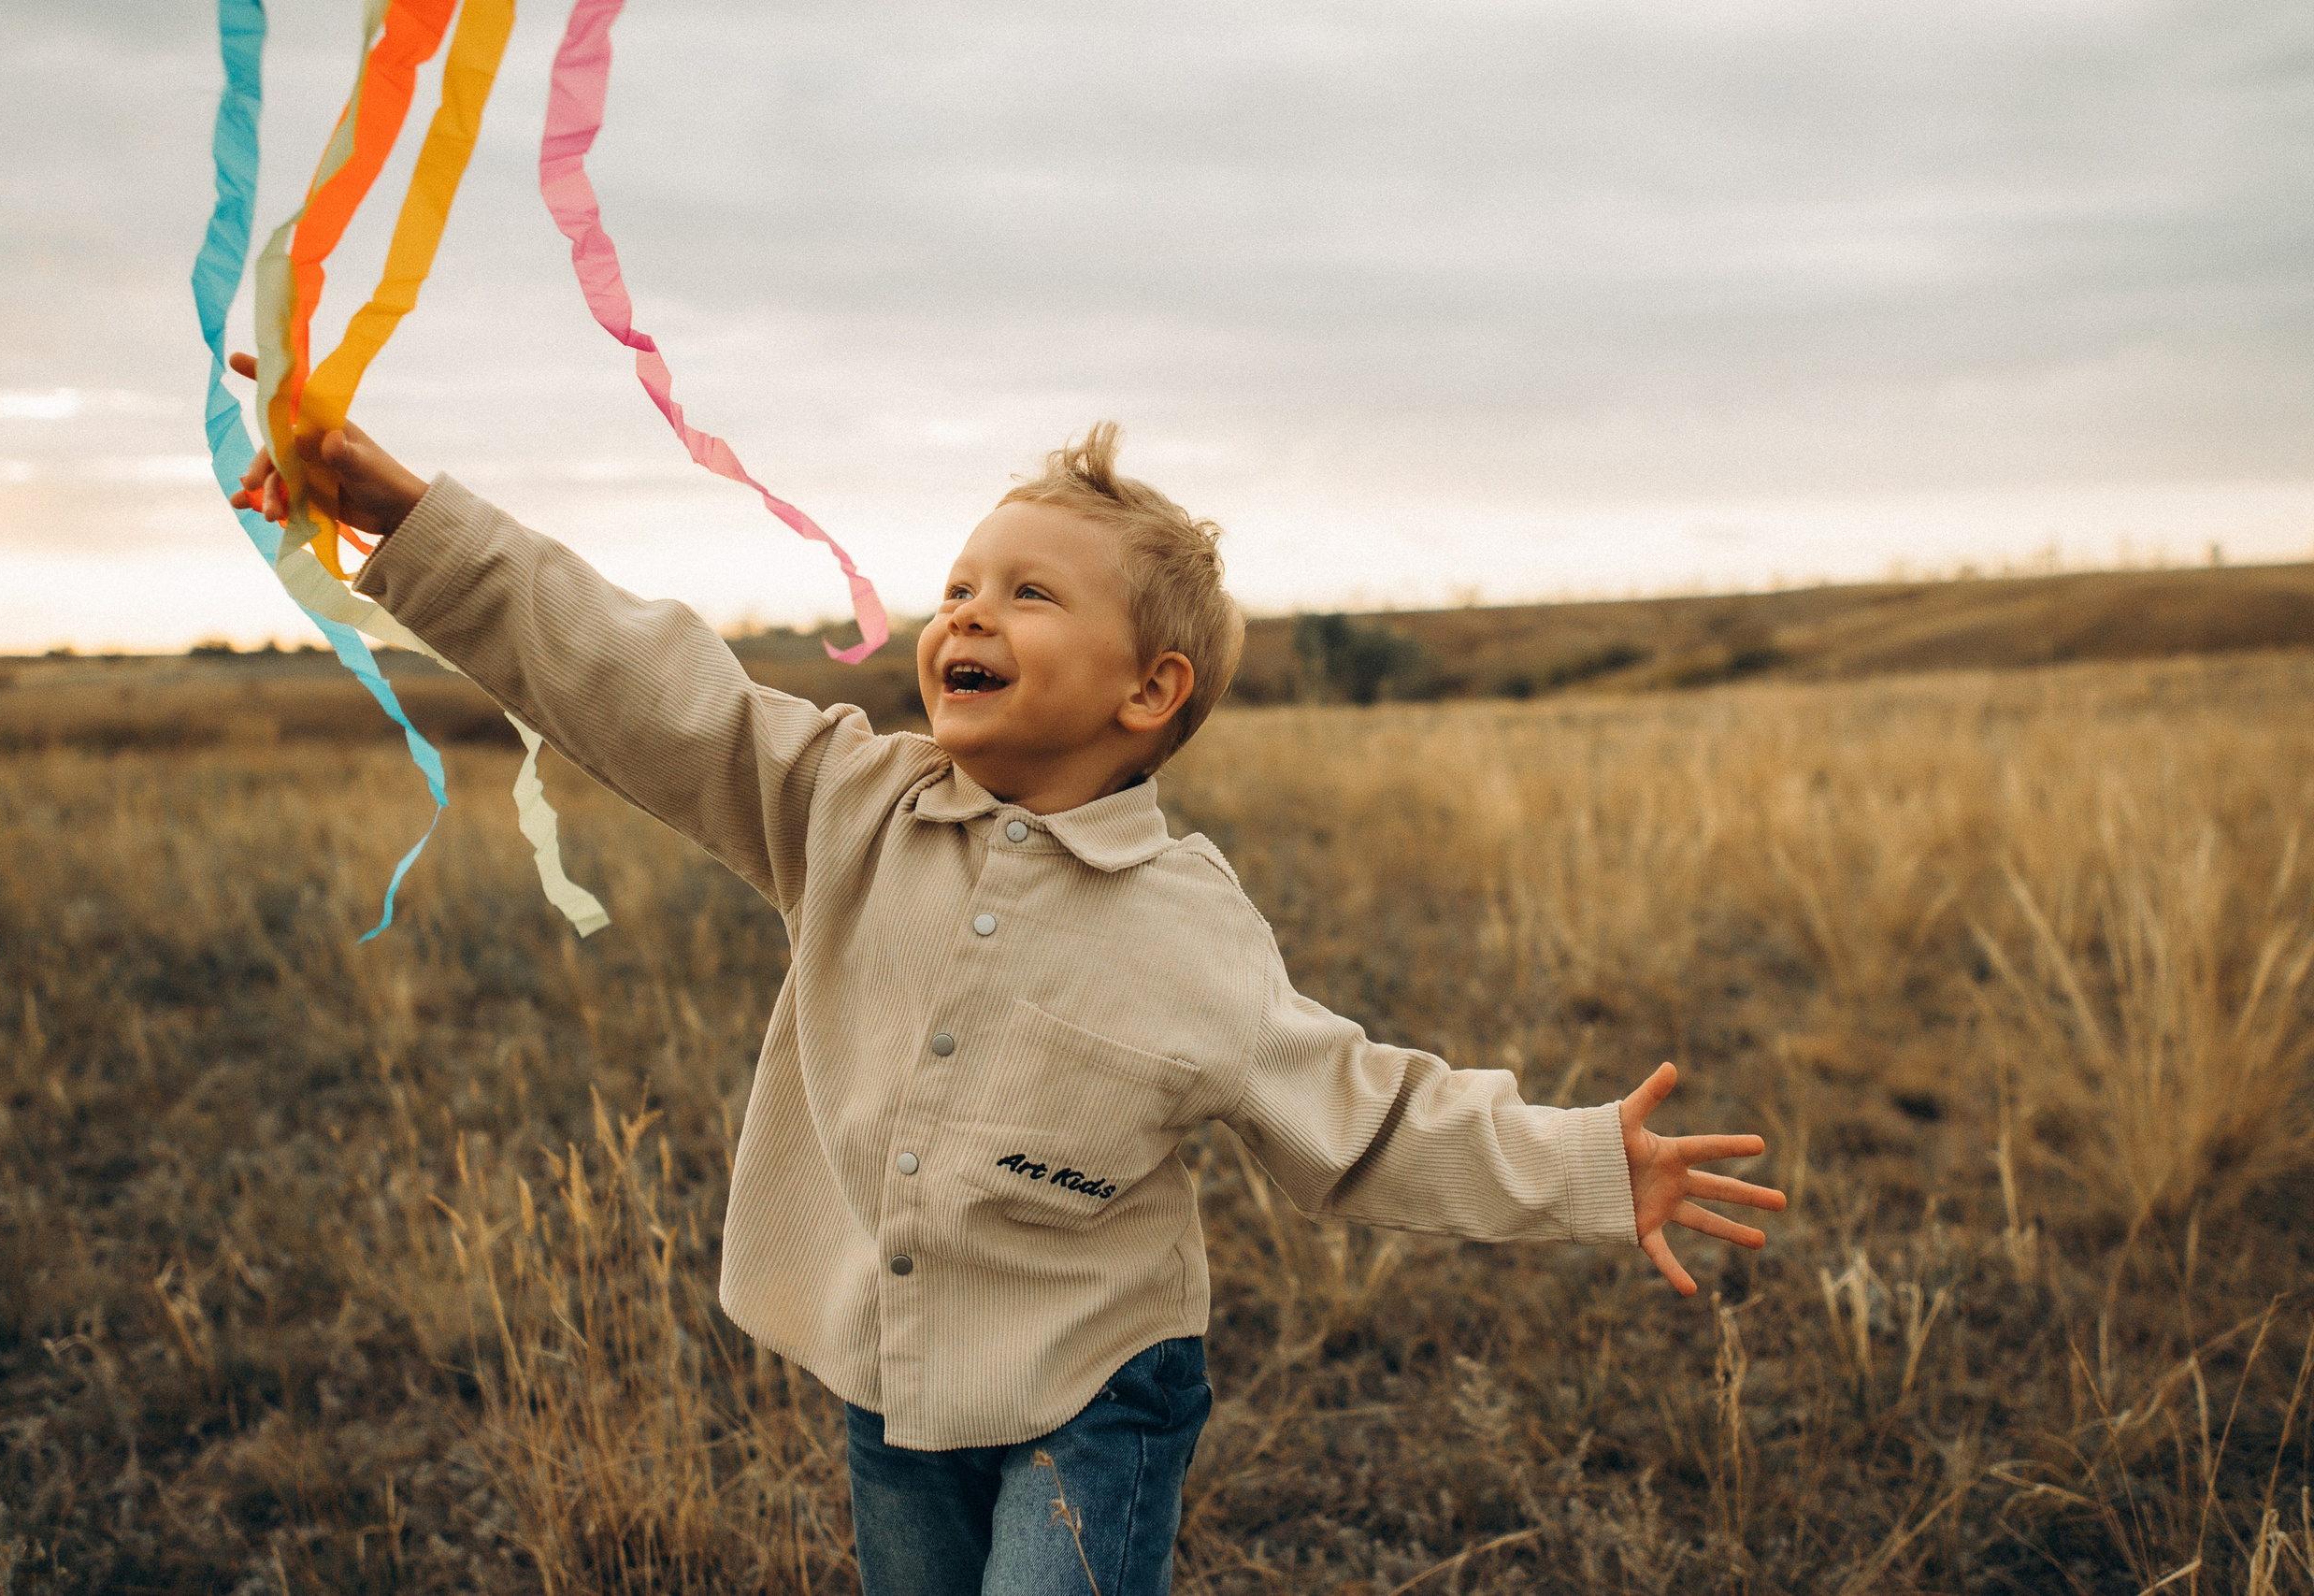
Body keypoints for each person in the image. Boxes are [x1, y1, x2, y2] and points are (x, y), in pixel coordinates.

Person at [226, 356, 1788, 1596]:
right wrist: (414, 519)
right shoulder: (849, 803)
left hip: (1095, 1391)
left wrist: (1587, 1162)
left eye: (1030, 593)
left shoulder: (1190, 930)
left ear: (1149, 689)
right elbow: (644, 685)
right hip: (887, 1377)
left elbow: (1365, 1115)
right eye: (964, 583)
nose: (967, 608)